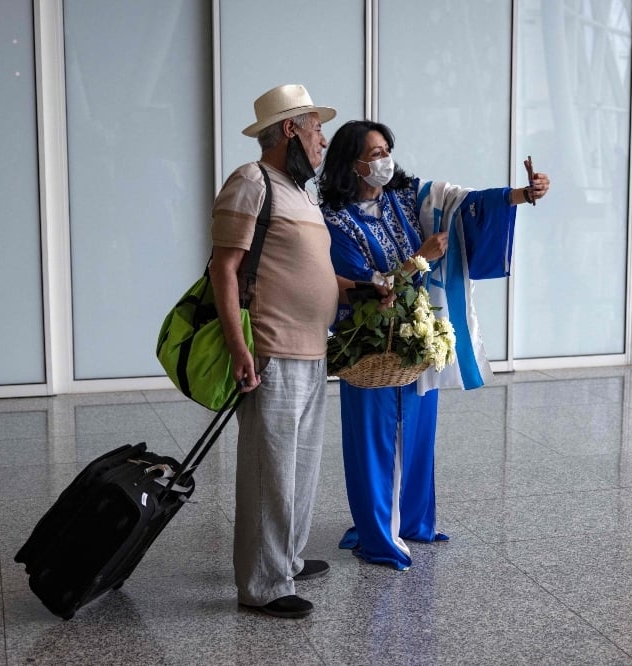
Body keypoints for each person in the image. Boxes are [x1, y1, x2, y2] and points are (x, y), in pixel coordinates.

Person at [318, 119, 551, 570]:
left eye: (388, 148)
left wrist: (522, 195)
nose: (385, 159)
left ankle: (412, 522)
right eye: (375, 152)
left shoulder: (402, 199)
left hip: (413, 343)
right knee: (373, 442)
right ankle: (377, 534)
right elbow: (366, 291)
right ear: (352, 162)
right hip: (369, 347)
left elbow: (461, 205)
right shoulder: (335, 223)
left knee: (418, 432)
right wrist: (421, 257)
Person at [210, 84, 372, 618]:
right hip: (272, 351)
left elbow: (310, 270)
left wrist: (362, 286)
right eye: (316, 128)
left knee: (300, 468)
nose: (324, 140)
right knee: (270, 472)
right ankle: (262, 585)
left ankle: (288, 560)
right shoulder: (251, 182)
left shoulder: (301, 192)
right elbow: (224, 270)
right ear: (289, 130)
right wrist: (240, 349)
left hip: (312, 350)